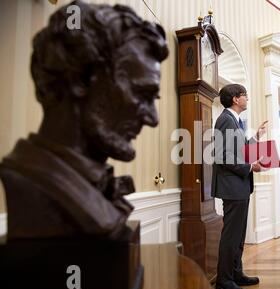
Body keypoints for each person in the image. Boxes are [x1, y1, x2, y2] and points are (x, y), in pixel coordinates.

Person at [0, 0, 169, 240]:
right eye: (142, 94)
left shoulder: (92, 185)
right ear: (81, 81)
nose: (153, 119)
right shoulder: (32, 183)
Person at [211, 83, 268, 289]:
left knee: (238, 235)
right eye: (245, 95)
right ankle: (224, 280)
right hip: (232, 186)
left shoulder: (236, 120)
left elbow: (241, 149)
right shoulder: (226, 119)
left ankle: (236, 273)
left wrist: (258, 137)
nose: (247, 98)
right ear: (236, 99)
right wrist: (250, 167)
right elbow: (223, 157)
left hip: (239, 186)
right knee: (231, 236)